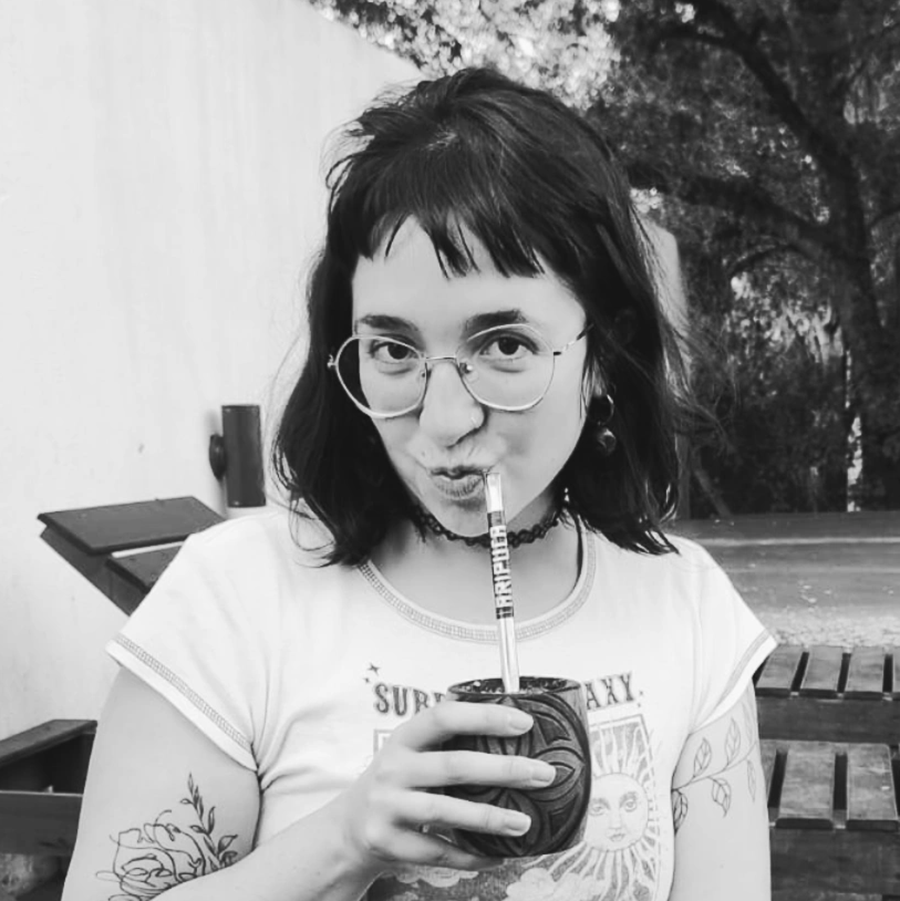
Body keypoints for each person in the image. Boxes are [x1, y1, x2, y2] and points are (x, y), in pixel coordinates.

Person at [62, 67, 776, 901]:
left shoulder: (686, 609)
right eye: (394, 350)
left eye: (504, 345)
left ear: (604, 355)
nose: (443, 420)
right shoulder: (231, 603)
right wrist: (343, 840)